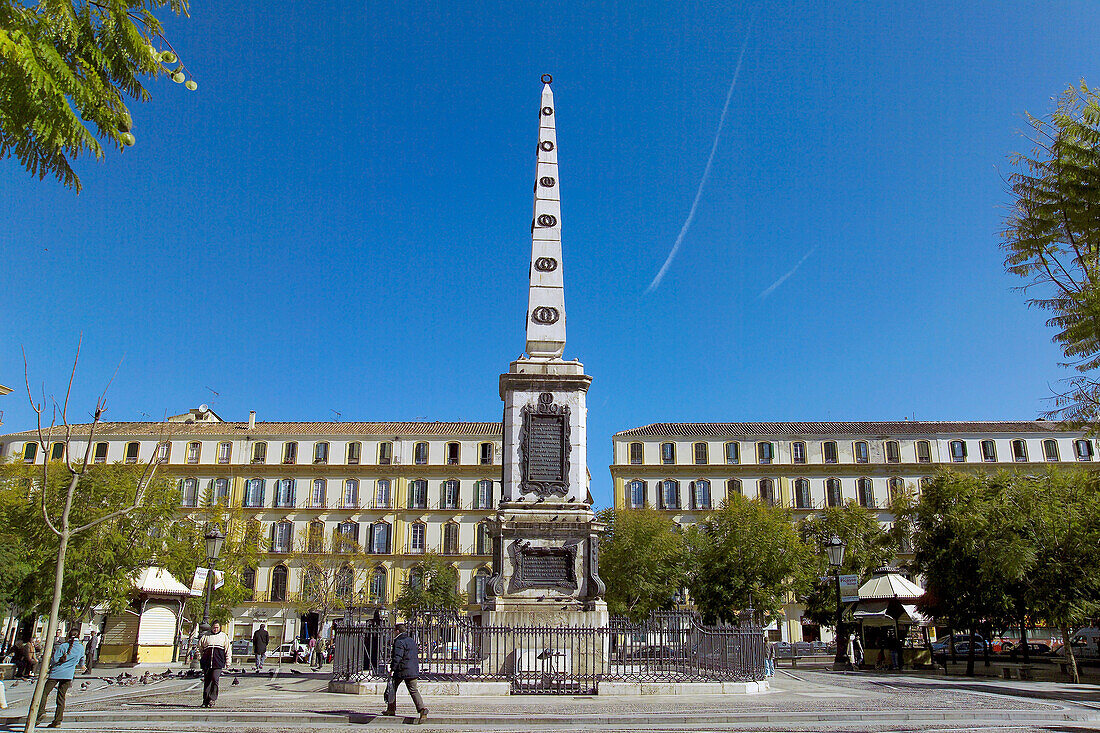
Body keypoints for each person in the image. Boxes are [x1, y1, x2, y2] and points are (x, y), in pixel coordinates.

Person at [34, 628, 85, 728]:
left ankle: (41, 712)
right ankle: (57, 721)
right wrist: (82, 665)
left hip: (56, 673)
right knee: (61, 698)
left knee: (44, 693)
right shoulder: (81, 648)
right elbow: (82, 660)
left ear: (68, 635)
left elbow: (54, 660)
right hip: (68, 675)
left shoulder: (63, 646)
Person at [384, 623, 427, 722]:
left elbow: (398, 656)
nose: (393, 633)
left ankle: (391, 709)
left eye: (394, 631)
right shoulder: (411, 640)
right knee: (413, 690)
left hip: (401, 669)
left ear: (397, 631)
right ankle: (422, 710)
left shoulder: (399, 641)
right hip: (412, 669)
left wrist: (392, 668)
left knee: (392, 688)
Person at [198, 621, 232, 708]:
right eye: (214, 627)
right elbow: (200, 648)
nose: (215, 629)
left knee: (215, 679)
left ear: (220, 627)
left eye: (217, 627)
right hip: (207, 662)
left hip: (218, 662)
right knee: (207, 681)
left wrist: (228, 661)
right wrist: (201, 658)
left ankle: (212, 699)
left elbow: (228, 650)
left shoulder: (223, 637)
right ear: (211, 627)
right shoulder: (206, 636)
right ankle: (205, 700)